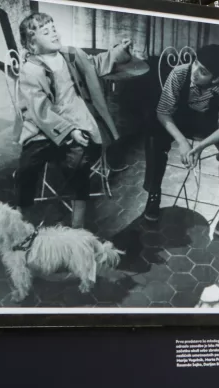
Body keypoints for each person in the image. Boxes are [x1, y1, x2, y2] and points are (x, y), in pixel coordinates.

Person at [15, 13, 134, 229]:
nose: (54, 34)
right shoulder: (30, 70)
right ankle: (23, 218)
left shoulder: (70, 55)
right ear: (32, 44)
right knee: (26, 168)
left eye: (53, 28)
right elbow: (40, 111)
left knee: (80, 164)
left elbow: (95, 63)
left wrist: (119, 51)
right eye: (46, 32)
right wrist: (69, 132)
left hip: (78, 119)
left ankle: (78, 222)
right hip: (43, 127)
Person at [143, 44, 219, 238]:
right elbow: (162, 111)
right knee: (154, 137)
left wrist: (200, 147)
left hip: (210, 125)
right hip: (181, 120)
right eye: (195, 62)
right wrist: (182, 141)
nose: (195, 71)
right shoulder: (180, 73)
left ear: (216, 78)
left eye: (203, 72)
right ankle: (153, 193)